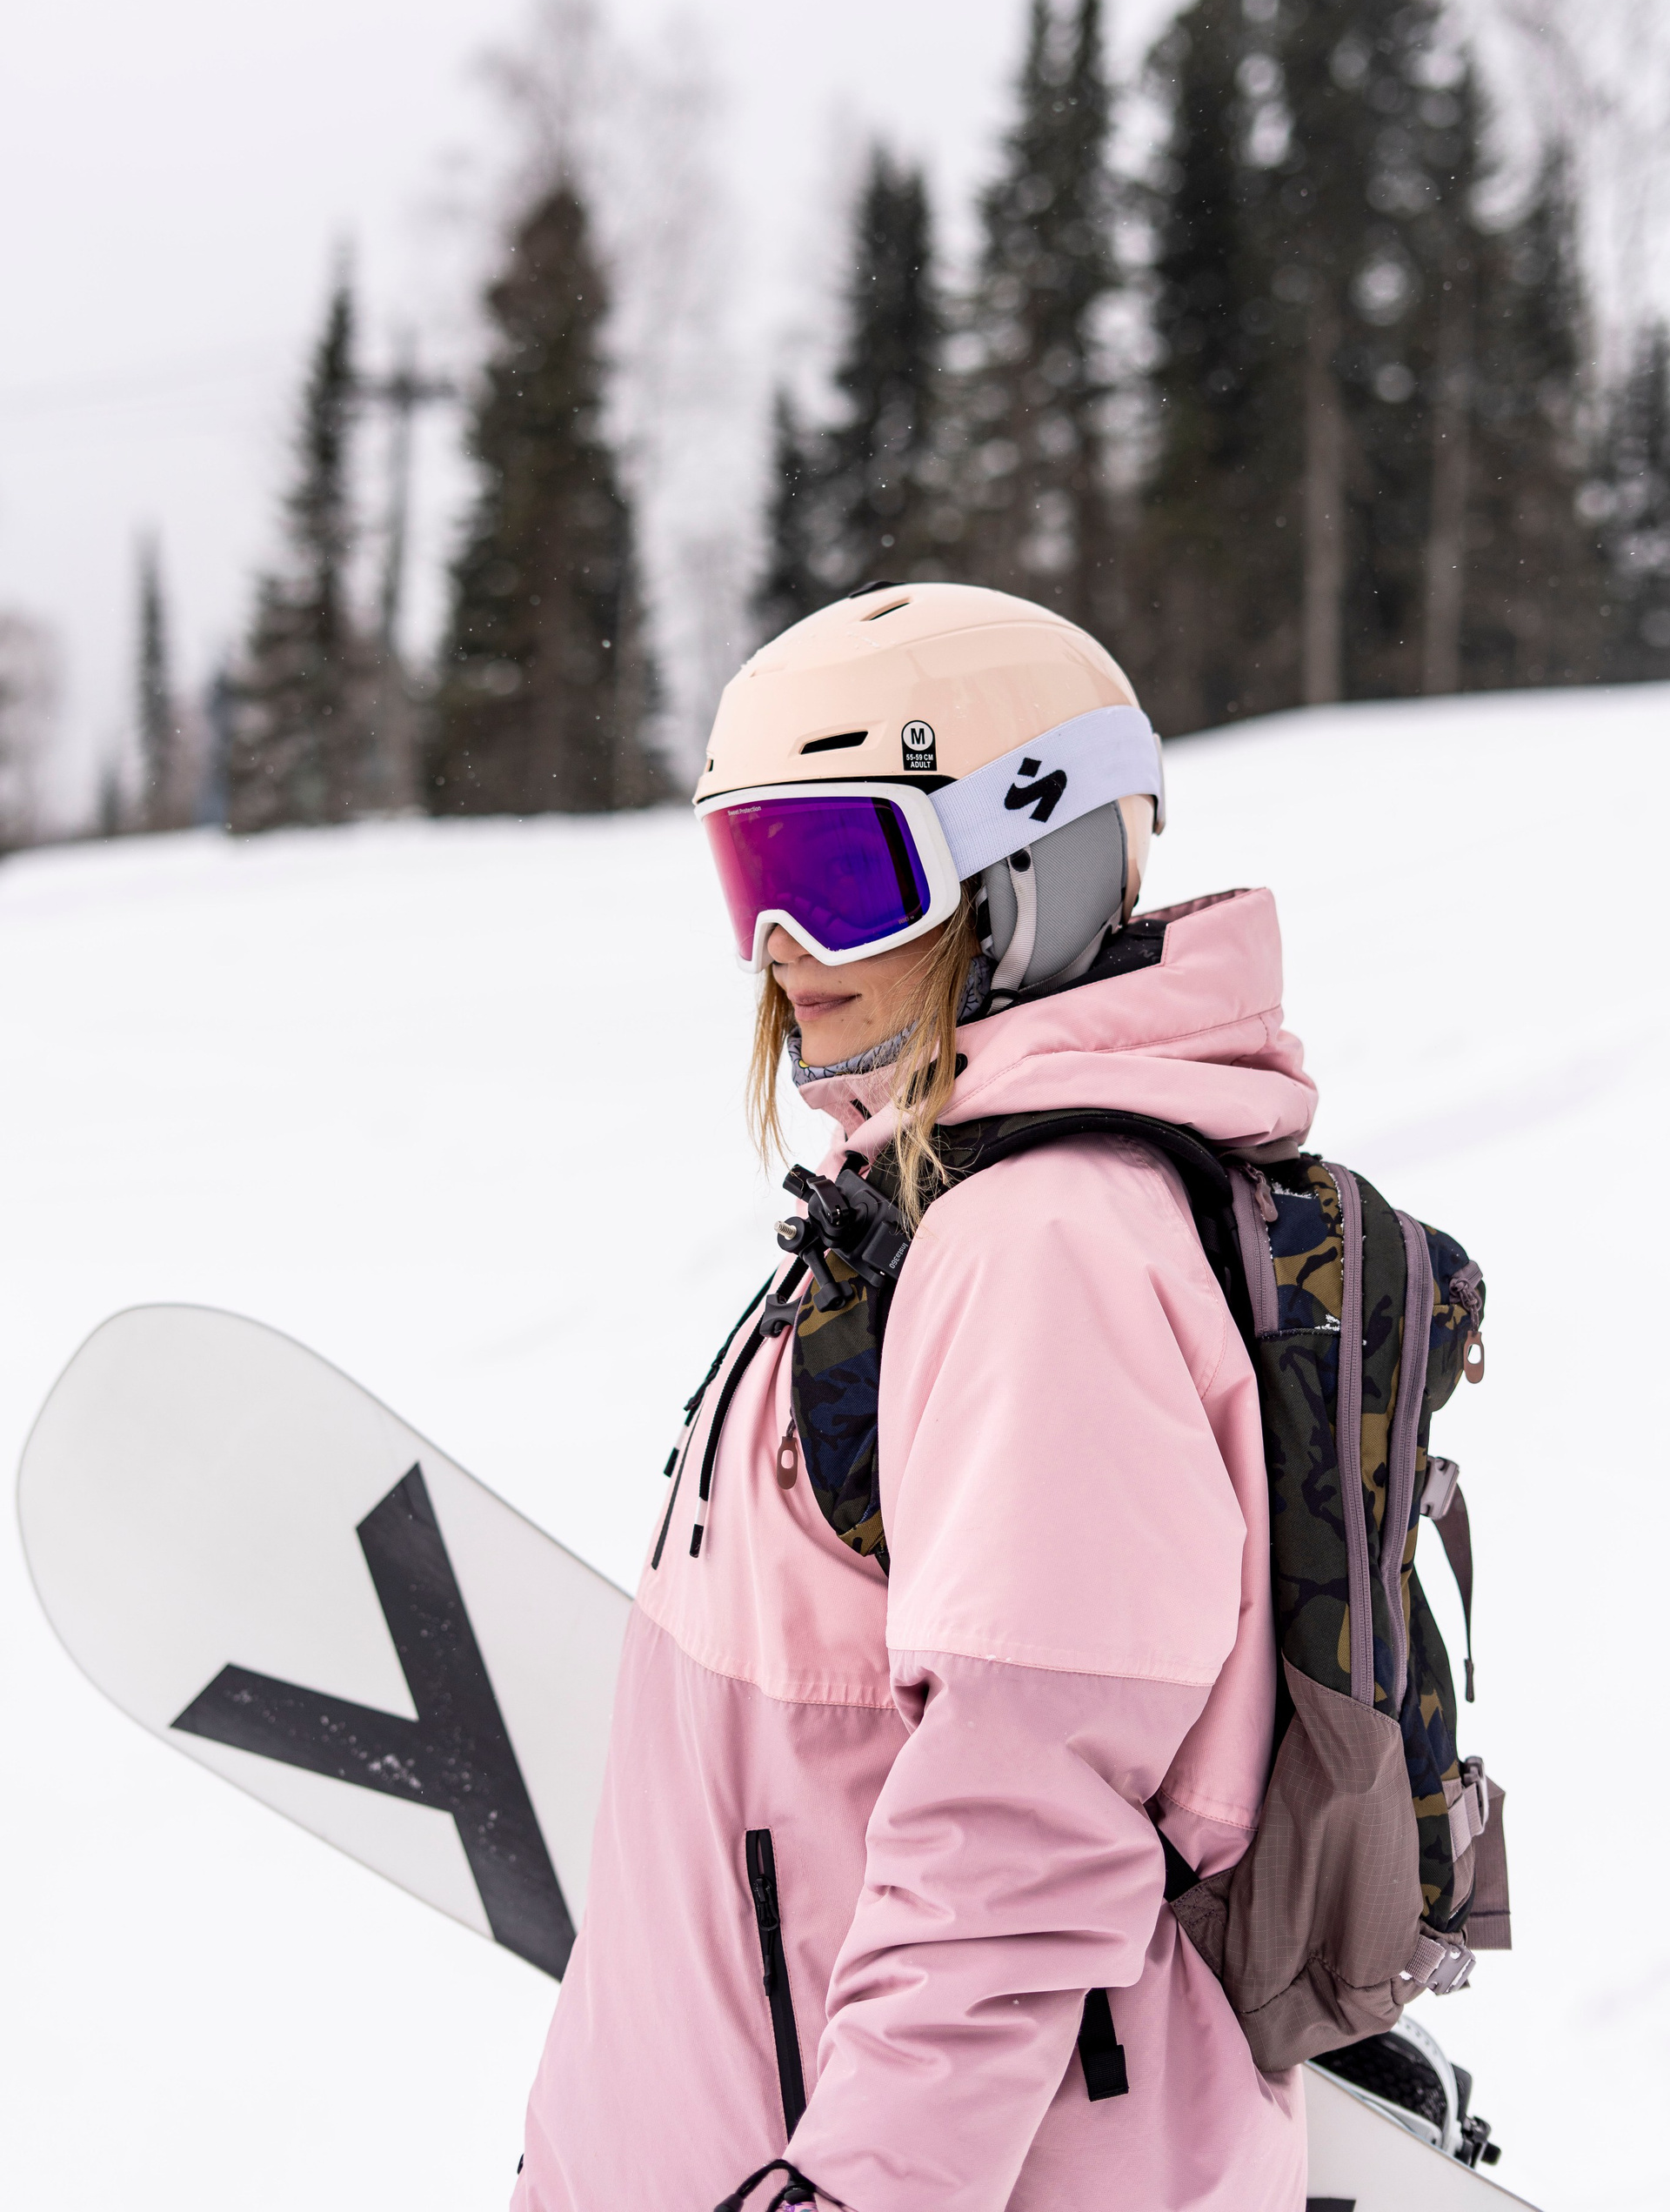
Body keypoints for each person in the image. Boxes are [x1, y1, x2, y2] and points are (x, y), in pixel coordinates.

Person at [513, 583, 1313, 2212]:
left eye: (836, 876)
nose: (779, 949)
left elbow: (1017, 1845)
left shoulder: (1044, 1248)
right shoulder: (930, 1212)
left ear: (1024, 874)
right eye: (749, 877)